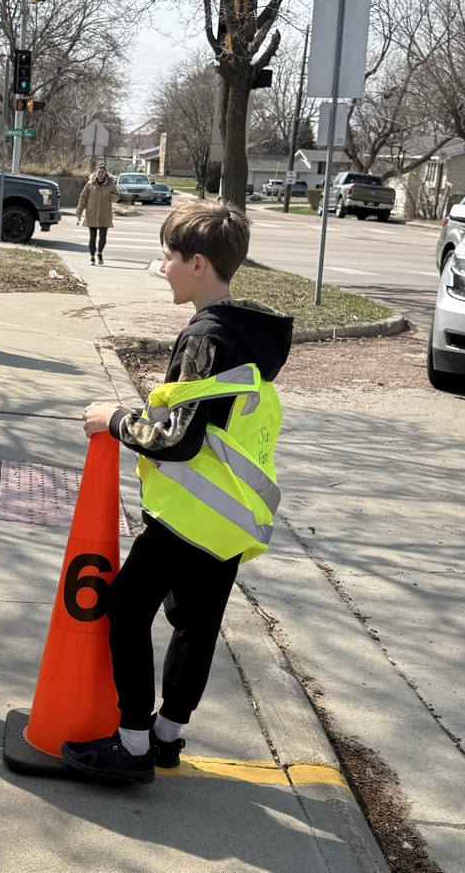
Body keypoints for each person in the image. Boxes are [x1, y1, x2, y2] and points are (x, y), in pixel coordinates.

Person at [60, 201, 294, 784]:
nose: (160, 265)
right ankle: (167, 735)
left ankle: (133, 741)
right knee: (197, 621)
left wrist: (113, 419)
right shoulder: (250, 334)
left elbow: (179, 440)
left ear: (196, 263)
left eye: (166, 256)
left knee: (126, 608)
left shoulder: (206, 337)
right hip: (230, 517)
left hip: (189, 512)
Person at [75, 165, 120, 265]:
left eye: (102, 172)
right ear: (95, 173)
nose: (100, 174)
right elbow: (83, 198)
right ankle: (92, 257)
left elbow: (117, 196)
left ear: (105, 174)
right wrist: (79, 211)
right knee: (92, 237)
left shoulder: (110, 185)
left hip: (105, 214)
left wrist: (111, 197)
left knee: (103, 237)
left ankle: (99, 253)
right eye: (99, 172)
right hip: (92, 213)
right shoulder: (90, 184)